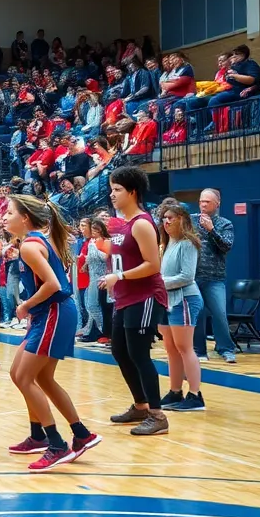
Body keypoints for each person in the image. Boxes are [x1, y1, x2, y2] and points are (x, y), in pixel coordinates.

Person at [3, 195, 102, 470]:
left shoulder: (31, 246)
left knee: (25, 377)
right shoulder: (30, 242)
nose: (4, 216)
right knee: (30, 376)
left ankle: (57, 444)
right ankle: (74, 434)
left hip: (54, 313)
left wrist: (25, 305)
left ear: (24, 218)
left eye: (9, 212)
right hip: (48, 315)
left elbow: (54, 284)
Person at [99, 166, 169, 436]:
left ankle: (157, 415)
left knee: (139, 354)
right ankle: (140, 406)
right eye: (111, 189)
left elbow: (153, 265)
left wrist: (120, 275)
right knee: (120, 351)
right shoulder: (119, 224)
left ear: (133, 192)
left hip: (146, 296)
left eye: (117, 189)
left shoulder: (141, 223)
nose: (112, 194)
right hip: (124, 297)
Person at [158, 204, 205, 412]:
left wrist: (159, 283)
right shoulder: (167, 243)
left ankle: (195, 395)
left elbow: (187, 277)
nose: (166, 222)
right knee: (170, 349)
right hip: (168, 300)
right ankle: (175, 391)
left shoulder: (187, 243)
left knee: (185, 347)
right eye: (164, 218)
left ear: (182, 220)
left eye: (171, 218)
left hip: (185, 299)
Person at [193, 188, 236, 364]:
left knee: (219, 313)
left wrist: (211, 230)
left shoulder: (225, 224)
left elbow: (226, 246)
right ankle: (199, 350)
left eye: (207, 202)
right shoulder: (191, 220)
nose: (203, 205)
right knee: (198, 312)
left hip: (214, 278)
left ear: (217, 204)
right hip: (193, 277)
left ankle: (226, 349)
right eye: (201, 201)